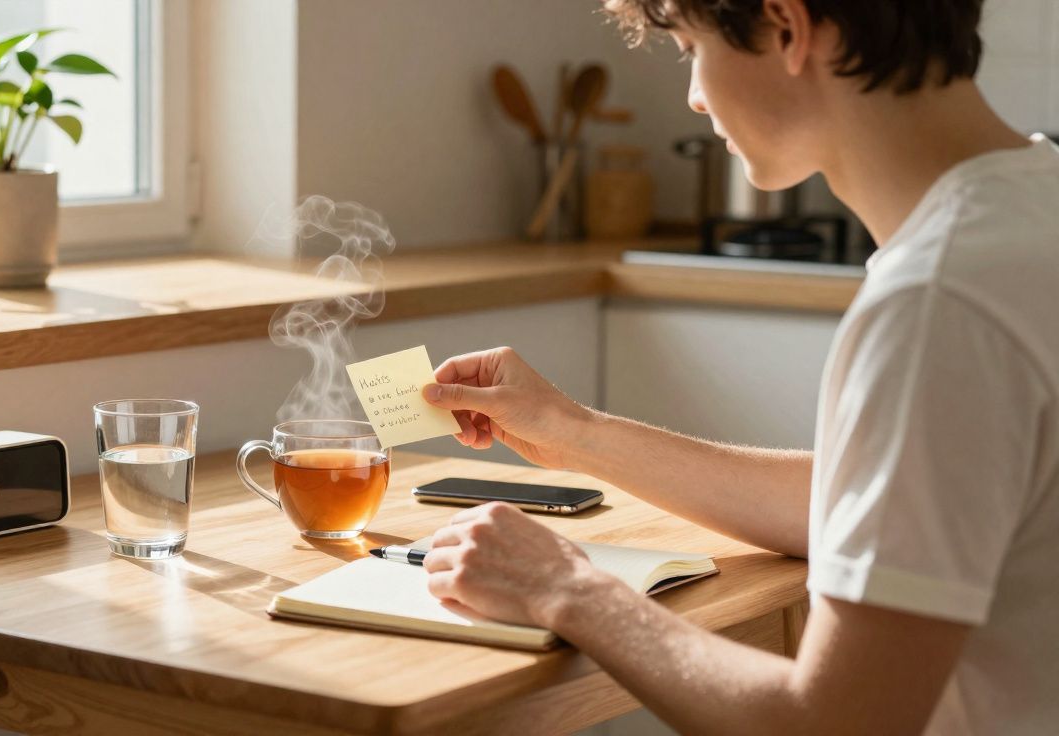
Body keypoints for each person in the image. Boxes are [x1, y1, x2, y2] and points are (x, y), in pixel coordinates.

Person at [420, 1, 1059, 733]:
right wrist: (571, 432)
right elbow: (878, 503)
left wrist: (567, 589)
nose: (694, 94)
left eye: (692, 46)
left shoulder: (941, 300)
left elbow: (831, 724)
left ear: (788, 28)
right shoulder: (1032, 211)